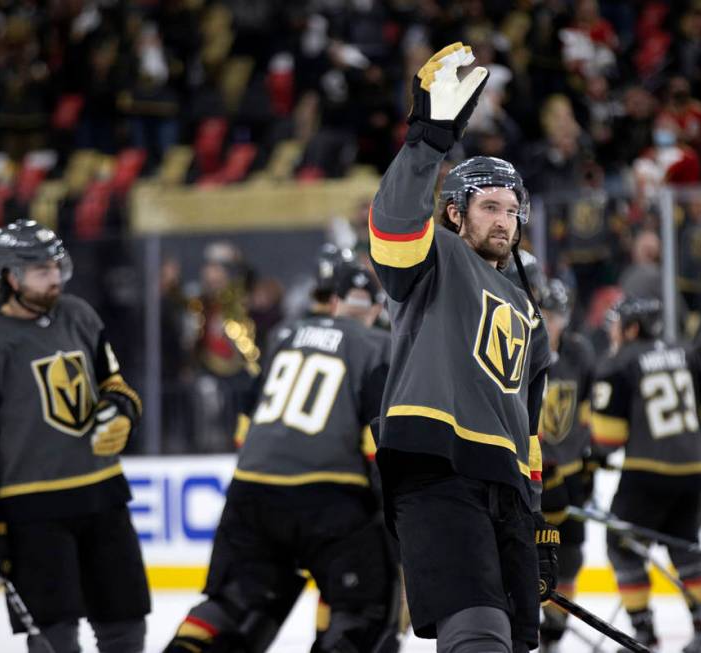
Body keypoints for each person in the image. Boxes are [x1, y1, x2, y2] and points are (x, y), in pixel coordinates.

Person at [368, 42, 559, 652]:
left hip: (502, 481)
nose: (504, 221)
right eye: (489, 207)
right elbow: (394, 230)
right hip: (437, 463)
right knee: (475, 627)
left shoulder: (530, 311)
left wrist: (537, 526)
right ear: (455, 214)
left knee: (514, 638)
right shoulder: (438, 257)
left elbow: (529, 429)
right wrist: (427, 142)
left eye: (512, 210)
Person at [164, 263, 400, 653]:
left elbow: (246, 418)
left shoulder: (285, 335)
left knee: (235, 607)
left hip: (251, 489)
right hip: (328, 494)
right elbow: (381, 441)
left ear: (334, 303)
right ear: (376, 310)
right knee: (363, 610)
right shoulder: (379, 345)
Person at [0, 220, 150, 653]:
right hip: (31, 512)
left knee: (127, 628)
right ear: (10, 277)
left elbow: (115, 383)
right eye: (41, 271)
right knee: (54, 639)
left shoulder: (79, 315)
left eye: (56, 266)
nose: (55, 277)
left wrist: (120, 411)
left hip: (104, 498)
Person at [590, 296, 701, 653]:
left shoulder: (619, 362)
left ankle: (644, 633)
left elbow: (608, 438)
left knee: (621, 548)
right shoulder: (684, 352)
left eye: (619, 324)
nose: (614, 331)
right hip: (694, 472)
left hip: (647, 474)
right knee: (686, 550)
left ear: (633, 328)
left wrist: (595, 456)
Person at [535, 280, 597, 653]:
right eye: (545, 314)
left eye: (557, 316)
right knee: (526, 551)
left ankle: (554, 633)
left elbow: (589, 408)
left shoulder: (579, 354)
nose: (550, 322)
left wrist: (589, 457)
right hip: (531, 476)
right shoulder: (521, 348)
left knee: (570, 556)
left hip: (570, 471)